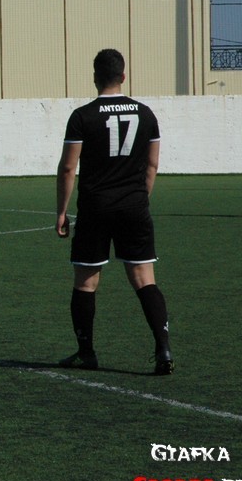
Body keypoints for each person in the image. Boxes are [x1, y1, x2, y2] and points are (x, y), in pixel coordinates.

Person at [55, 49, 173, 375]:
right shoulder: (146, 114)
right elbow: (152, 164)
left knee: (86, 281)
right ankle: (163, 349)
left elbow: (68, 168)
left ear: (95, 77)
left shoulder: (82, 116)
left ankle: (86, 352)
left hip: (95, 207)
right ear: (123, 76)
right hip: (134, 206)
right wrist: (139, 198)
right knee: (144, 279)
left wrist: (61, 211)